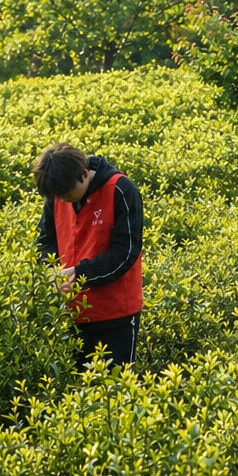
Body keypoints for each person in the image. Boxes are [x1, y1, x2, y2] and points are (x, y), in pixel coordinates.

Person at [33, 143, 144, 367]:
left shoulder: (121, 189)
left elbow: (126, 253)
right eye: (59, 196)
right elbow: (45, 241)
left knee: (116, 390)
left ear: (84, 174)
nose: (63, 201)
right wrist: (52, 271)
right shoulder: (57, 193)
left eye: (67, 195)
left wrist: (79, 273)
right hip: (70, 314)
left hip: (115, 315)